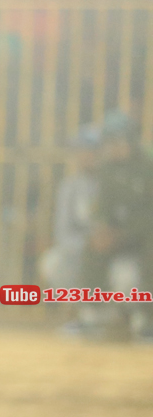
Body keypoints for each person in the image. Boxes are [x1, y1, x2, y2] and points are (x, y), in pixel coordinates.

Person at [78, 111, 153, 339]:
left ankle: (147, 317)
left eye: (117, 141)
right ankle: (92, 314)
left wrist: (123, 233)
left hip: (146, 231)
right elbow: (103, 206)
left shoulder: (148, 164)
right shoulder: (108, 169)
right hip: (120, 231)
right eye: (109, 142)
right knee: (93, 245)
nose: (112, 148)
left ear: (131, 140)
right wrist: (102, 228)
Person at [39, 126, 101, 291]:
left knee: (125, 275)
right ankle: (81, 304)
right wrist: (88, 244)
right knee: (53, 263)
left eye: (92, 150)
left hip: (113, 253)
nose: (86, 156)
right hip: (81, 252)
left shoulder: (115, 183)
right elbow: (62, 233)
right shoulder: (69, 187)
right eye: (81, 150)